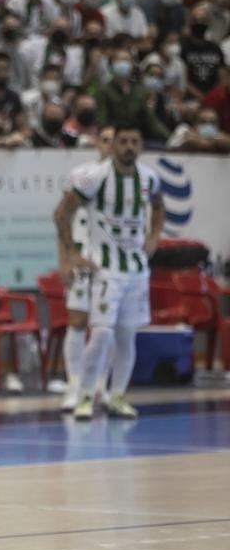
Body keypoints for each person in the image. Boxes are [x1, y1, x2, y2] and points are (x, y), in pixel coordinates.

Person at [54, 122, 163, 421]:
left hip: (137, 270)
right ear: (113, 145)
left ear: (141, 146)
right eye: (123, 141)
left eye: (134, 141)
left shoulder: (149, 178)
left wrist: (154, 236)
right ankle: (85, 395)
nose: (129, 147)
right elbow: (62, 212)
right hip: (104, 268)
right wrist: (72, 253)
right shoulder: (94, 178)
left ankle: (117, 396)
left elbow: (158, 206)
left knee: (127, 336)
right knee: (100, 333)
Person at [56, 125, 113, 411]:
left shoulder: (134, 179)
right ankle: (74, 384)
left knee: (106, 327)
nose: (110, 145)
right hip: (82, 259)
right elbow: (62, 218)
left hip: (113, 263)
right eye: (105, 140)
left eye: (115, 140)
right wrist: (65, 259)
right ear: (97, 144)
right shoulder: (81, 175)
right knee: (77, 322)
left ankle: (101, 383)